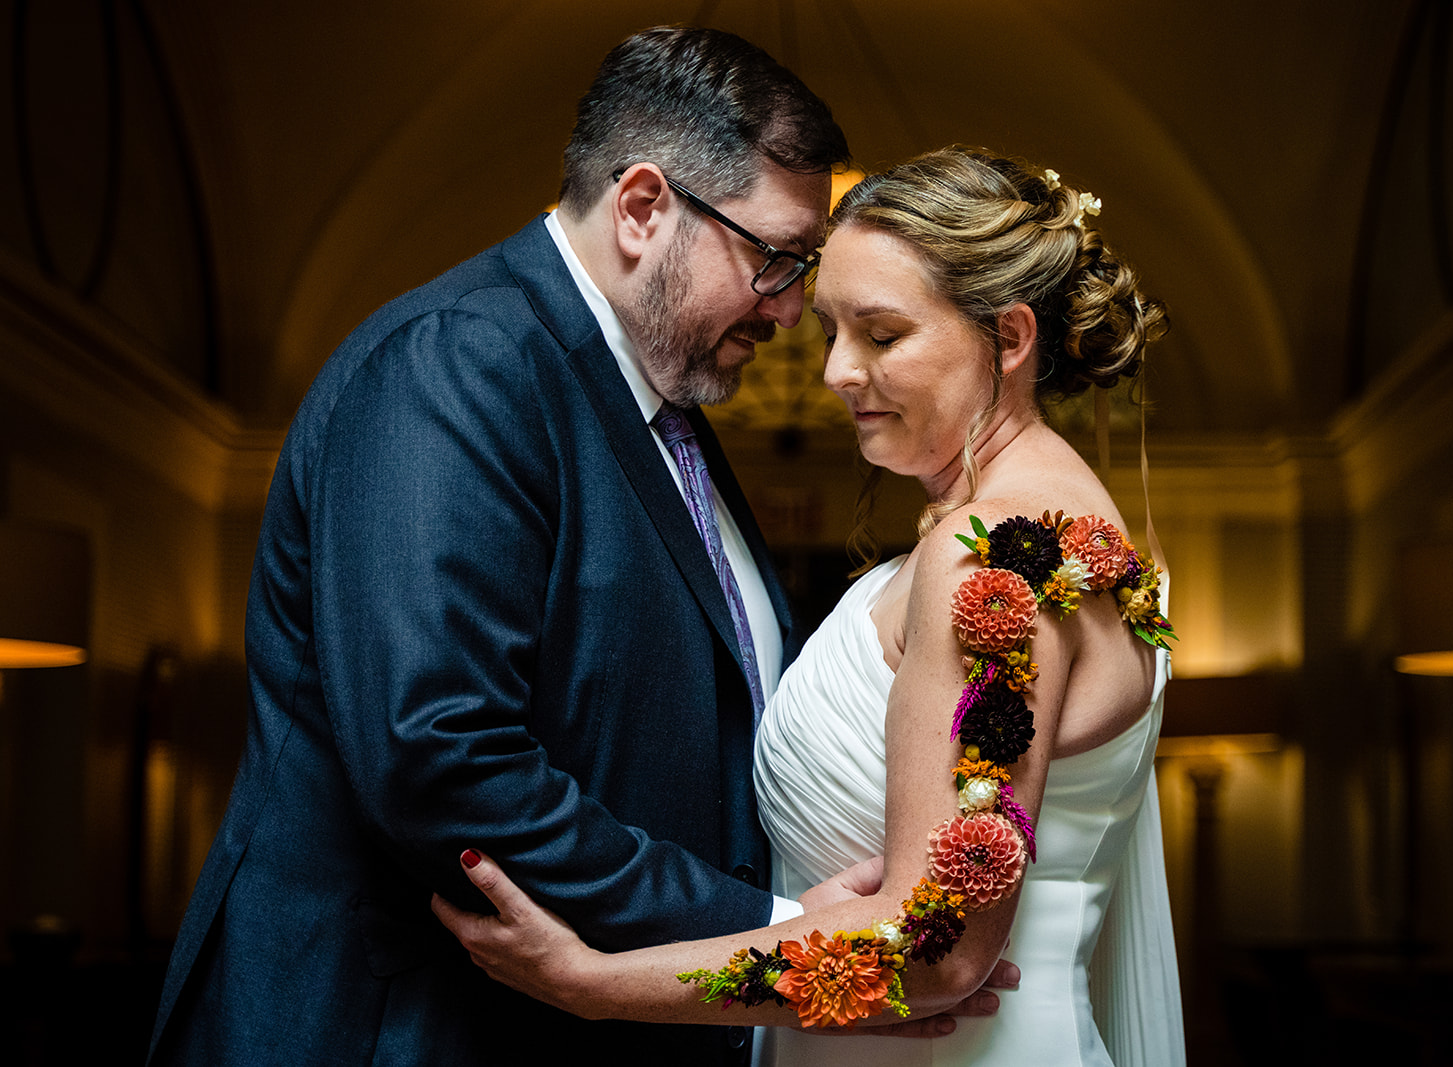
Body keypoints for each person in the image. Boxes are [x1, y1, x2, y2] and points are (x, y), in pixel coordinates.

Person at [146, 26, 887, 1066]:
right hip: (408, 1032)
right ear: (641, 207)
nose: (790, 308)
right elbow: (441, 754)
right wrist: (762, 930)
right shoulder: (460, 362)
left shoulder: (660, 414)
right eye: (773, 258)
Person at [435, 147, 1188, 1065]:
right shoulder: (1078, 538)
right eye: (830, 329)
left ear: (1011, 337)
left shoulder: (987, 559)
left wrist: (594, 983)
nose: (834, 369)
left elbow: (934, 952)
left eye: (881, 334)